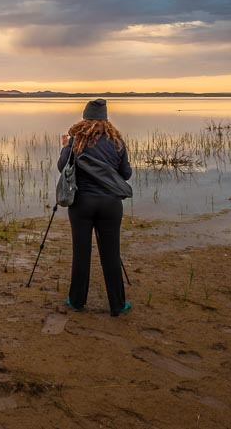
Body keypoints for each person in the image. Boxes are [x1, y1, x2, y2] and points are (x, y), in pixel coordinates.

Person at [57, 98, 133, 316]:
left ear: (85, 118)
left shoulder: (76, 141)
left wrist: (65, 147)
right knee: (111, 254)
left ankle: (76, 301)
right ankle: (117, 306)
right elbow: (126, 173)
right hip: (110, 205)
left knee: (81, 253)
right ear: (105, 119)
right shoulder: (117, 142)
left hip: (81, 204)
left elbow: (63, 167)